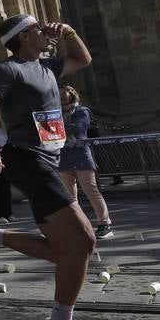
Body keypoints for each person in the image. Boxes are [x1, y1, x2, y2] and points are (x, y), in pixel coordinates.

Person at [0, 14, 108, 320]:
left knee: (61, 251)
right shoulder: (10, 70)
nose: (45, 31)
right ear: (24, 37)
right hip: (28, 160)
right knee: (83, 240)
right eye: (38, 28)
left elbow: (83, 58)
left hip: (48, 162)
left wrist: (68, 30)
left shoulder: (49, 67)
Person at [58, 86, 113, 238]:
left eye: (64, 93)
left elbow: (79, 127)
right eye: (59, 94)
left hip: (80, 154)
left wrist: (54, 127)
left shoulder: (81, 110)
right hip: (63, 155)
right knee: (70, 196)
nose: (62, 96)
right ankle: (79, 225)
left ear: (72, 94)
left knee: (91, 190)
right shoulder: (55, 114)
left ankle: (105, 223)